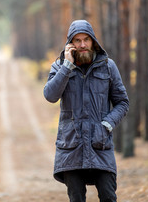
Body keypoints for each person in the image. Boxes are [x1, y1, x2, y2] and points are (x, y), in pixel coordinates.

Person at [43, 20, 129, 202]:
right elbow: (50, 95)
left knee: (108, 196)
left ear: (93, 41)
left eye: (86, 40)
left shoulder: (108, 66)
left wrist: (107, 124)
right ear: (70, 44)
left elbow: (122, 102)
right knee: (76, 198)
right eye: (77, 40)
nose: (82, 44)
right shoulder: (59, 67)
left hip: (100, 144)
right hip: (71, 146)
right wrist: (67, 67)